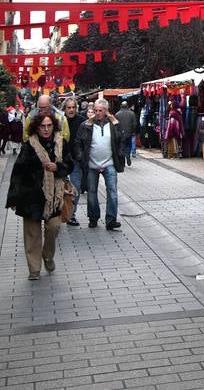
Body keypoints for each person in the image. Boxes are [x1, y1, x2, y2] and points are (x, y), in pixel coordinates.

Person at [5, 112, 74, 280]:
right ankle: (34, 270)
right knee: (32, 234)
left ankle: (48, 256)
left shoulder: (61, 143)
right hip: (31, 197)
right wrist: (14, 198)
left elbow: (70, 164)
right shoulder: (29, 145)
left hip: (53, 197)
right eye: (42, 126)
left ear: (54, 126)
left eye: (49, 125)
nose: (46, 129)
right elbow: (18, 172)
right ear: (36, 127)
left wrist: (57, 167)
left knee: (54, 228)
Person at [75, 98, 124, 230]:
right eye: (95, 110)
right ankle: (93, 217)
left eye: (100, 111)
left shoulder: (113, 124)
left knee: (112, 192)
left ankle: (111, 220)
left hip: (109, 163)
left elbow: (121, 139)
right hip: (91, 164)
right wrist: (80, 157)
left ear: (106, 111)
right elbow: (78, 142)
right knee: (91, 192)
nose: (97, 113)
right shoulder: (86, 125)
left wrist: (114, 120)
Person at [61, 97, 85, 226]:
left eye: (73, 107)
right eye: (69, 107)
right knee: (61, 190)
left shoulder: (81, 121)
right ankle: (60, 213)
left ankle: (71, 215)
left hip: (76, 160)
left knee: (75, 188)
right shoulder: (59, 120)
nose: (71, 110)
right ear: (64, 108)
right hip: (62, 160)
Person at [115, 100, 137, 166]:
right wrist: (133, 131)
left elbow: (116, 125)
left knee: (122, 147)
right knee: (128, 146)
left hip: (121, 134)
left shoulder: (117, 114)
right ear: (127, 106)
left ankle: (123, 161)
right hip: (129, 133)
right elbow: (135, 124)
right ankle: (127, 156)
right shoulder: (132, 114)